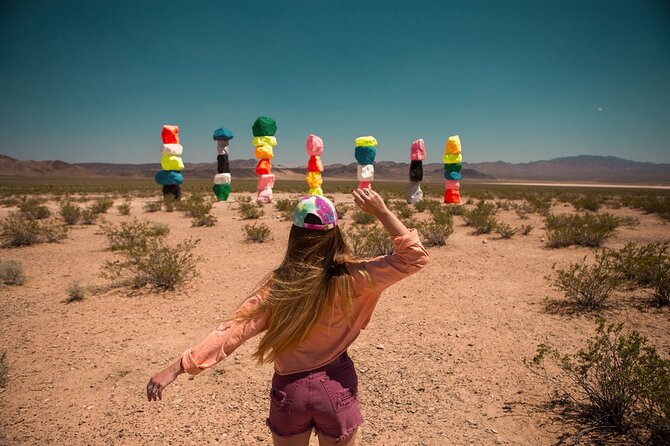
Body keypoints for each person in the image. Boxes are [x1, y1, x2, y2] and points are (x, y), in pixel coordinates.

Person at [147, 189, 429, 445]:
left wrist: (178, 367)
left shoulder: (279, 286)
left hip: (289, 392)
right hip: (336, 385)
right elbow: (414, 257)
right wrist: (382, 212)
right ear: (335, 235)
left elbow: (233, 330)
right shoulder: (355, 278)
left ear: (294, 234)